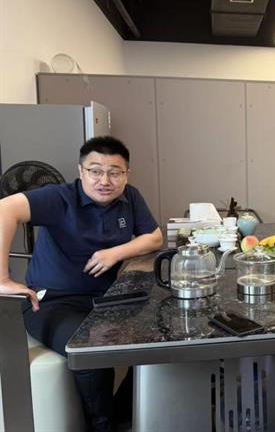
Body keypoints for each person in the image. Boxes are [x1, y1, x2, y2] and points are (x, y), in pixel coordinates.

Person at [0, 136, 163, 432]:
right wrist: (2, 279)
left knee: (156, 337)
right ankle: (102, 425)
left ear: (126, 174)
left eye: (115, 172)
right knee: (91, 347)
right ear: (81, 171)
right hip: (53, 302)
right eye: (95, 171)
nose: (105, 180)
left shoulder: (131, 197)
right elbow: (4, 209)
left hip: (107, 299)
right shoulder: (58, 197)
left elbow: (154, 237)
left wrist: (114, 253)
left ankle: (124, 415)